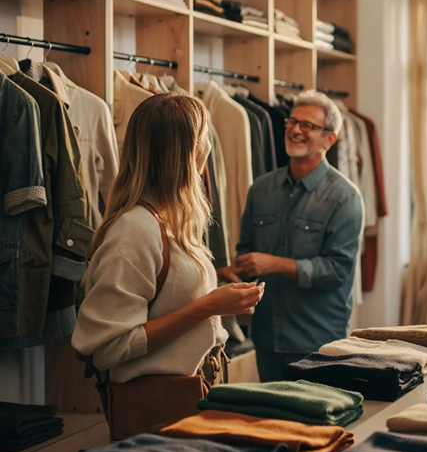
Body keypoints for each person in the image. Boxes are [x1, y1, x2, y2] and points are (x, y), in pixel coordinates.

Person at [73, 94, 263, 387]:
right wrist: (208, 306)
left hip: (192, 394)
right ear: (188, 152)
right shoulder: (134, 231)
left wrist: (221, 301)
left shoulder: (170, 221)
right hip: (160, 407)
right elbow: (108, 348)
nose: (209, 146)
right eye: (204, 136)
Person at [222, 90, 364, 382]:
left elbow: (337, 270)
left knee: (318, 425)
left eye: (308, 125)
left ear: (330, 139)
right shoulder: (260, 189)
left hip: (317, 340)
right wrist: (234, 272)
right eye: (292, 121)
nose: (295, 130)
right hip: (266, 339)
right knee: (272, 424)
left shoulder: (345, 197)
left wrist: (274, 264)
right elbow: (246, 250)